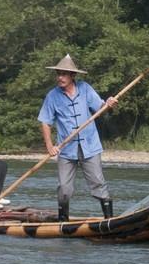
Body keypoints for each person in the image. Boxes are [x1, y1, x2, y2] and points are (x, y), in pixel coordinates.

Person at [37, 54, 112, 221]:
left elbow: (100, 107)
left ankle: (109, 220)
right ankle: (63, 220)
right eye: (58, 74)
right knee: (64, 188)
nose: (60, 77)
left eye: (64, 74)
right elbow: (45, 122)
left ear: (72, 76)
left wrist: (108, 103)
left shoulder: (85, 89)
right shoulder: (52, 96)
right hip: (66, 149)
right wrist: (50, 146)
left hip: (90, 146)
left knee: (98, 183)